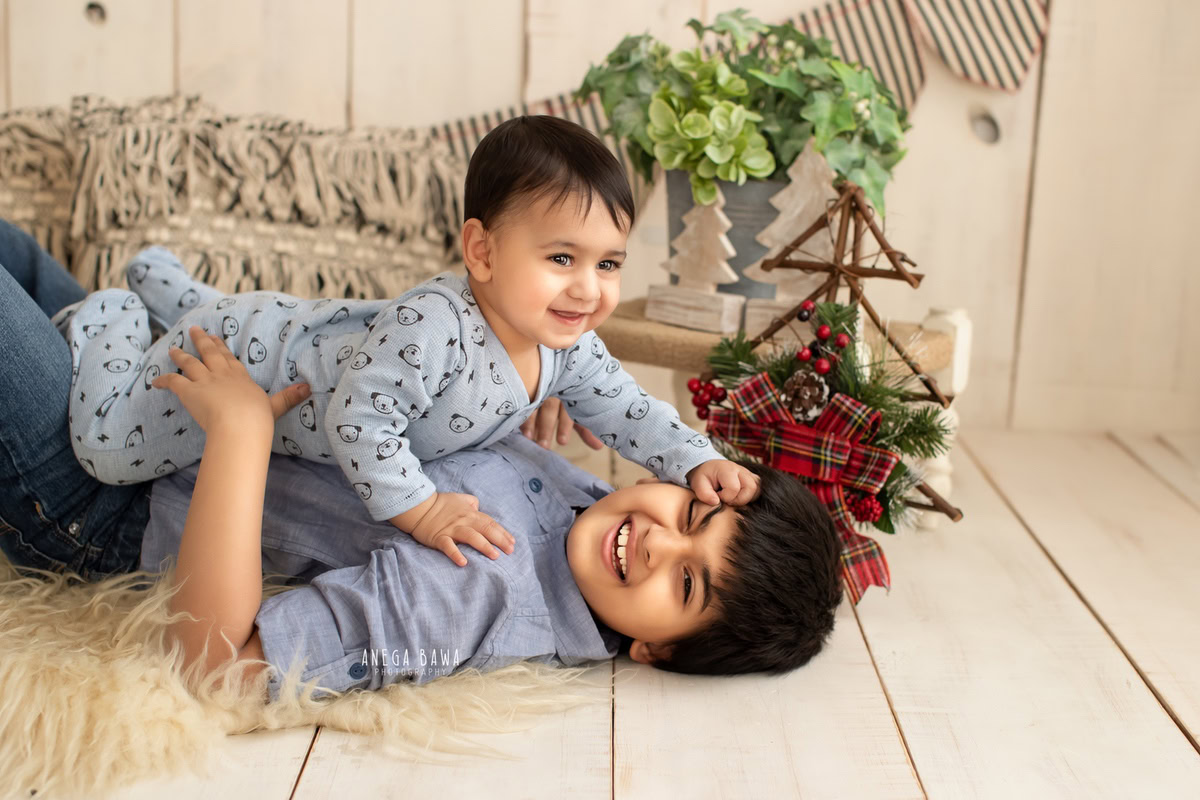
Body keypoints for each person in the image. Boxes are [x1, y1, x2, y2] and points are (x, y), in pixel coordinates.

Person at [0, 219, 845, 703]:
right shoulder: (589, 497)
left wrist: (241, 438)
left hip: (98, 492)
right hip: (158, 377)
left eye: (685, 585)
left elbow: (215, 666)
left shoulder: (474, 595)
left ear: (657, 652)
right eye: (695, 515)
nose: (661, 544)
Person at [51, 114, 761, 568]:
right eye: (561, 259)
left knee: (242, 315)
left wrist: (694, 456)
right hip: (263, 363)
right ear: (480, 252)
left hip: (303, 331)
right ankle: (110, 311)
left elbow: (626, 409)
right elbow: (357, 420)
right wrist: (418, 509)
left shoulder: (567, 344)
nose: (588, 289)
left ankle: (165, 282)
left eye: (608, 264)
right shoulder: (436, 326)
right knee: (108, 451)